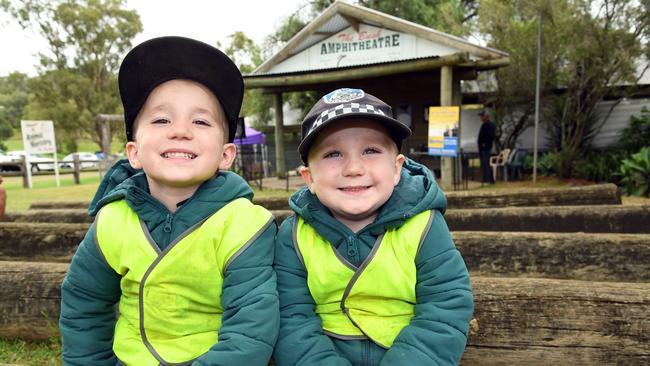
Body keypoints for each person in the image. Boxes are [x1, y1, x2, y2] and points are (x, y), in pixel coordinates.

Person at [59, 36, 279, 366]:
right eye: (161, 120)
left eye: (201, 121)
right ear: (133, 152)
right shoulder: (113, 220)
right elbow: (84, 302)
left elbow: (250, 329)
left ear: (226, 154)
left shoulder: (245, 225)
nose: (180, 131)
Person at [273, 88, 473, 366]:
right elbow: (292, 320)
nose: (354, 168)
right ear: (309, 178)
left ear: (396, 169)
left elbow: (445, 308)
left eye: (371, 151)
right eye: (332, 154)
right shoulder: (293, 235)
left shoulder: (425, 225)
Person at [477, 109, 496, 184]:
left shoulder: (490, 125)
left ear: (486, 116)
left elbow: (491, 136)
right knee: (484, 164)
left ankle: (488, 180)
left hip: (486, 147)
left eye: (482, 116)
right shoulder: (484, 125)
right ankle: (488, 179)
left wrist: (485, 143)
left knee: (486, 164)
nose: (481, 118)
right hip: (482, 148)